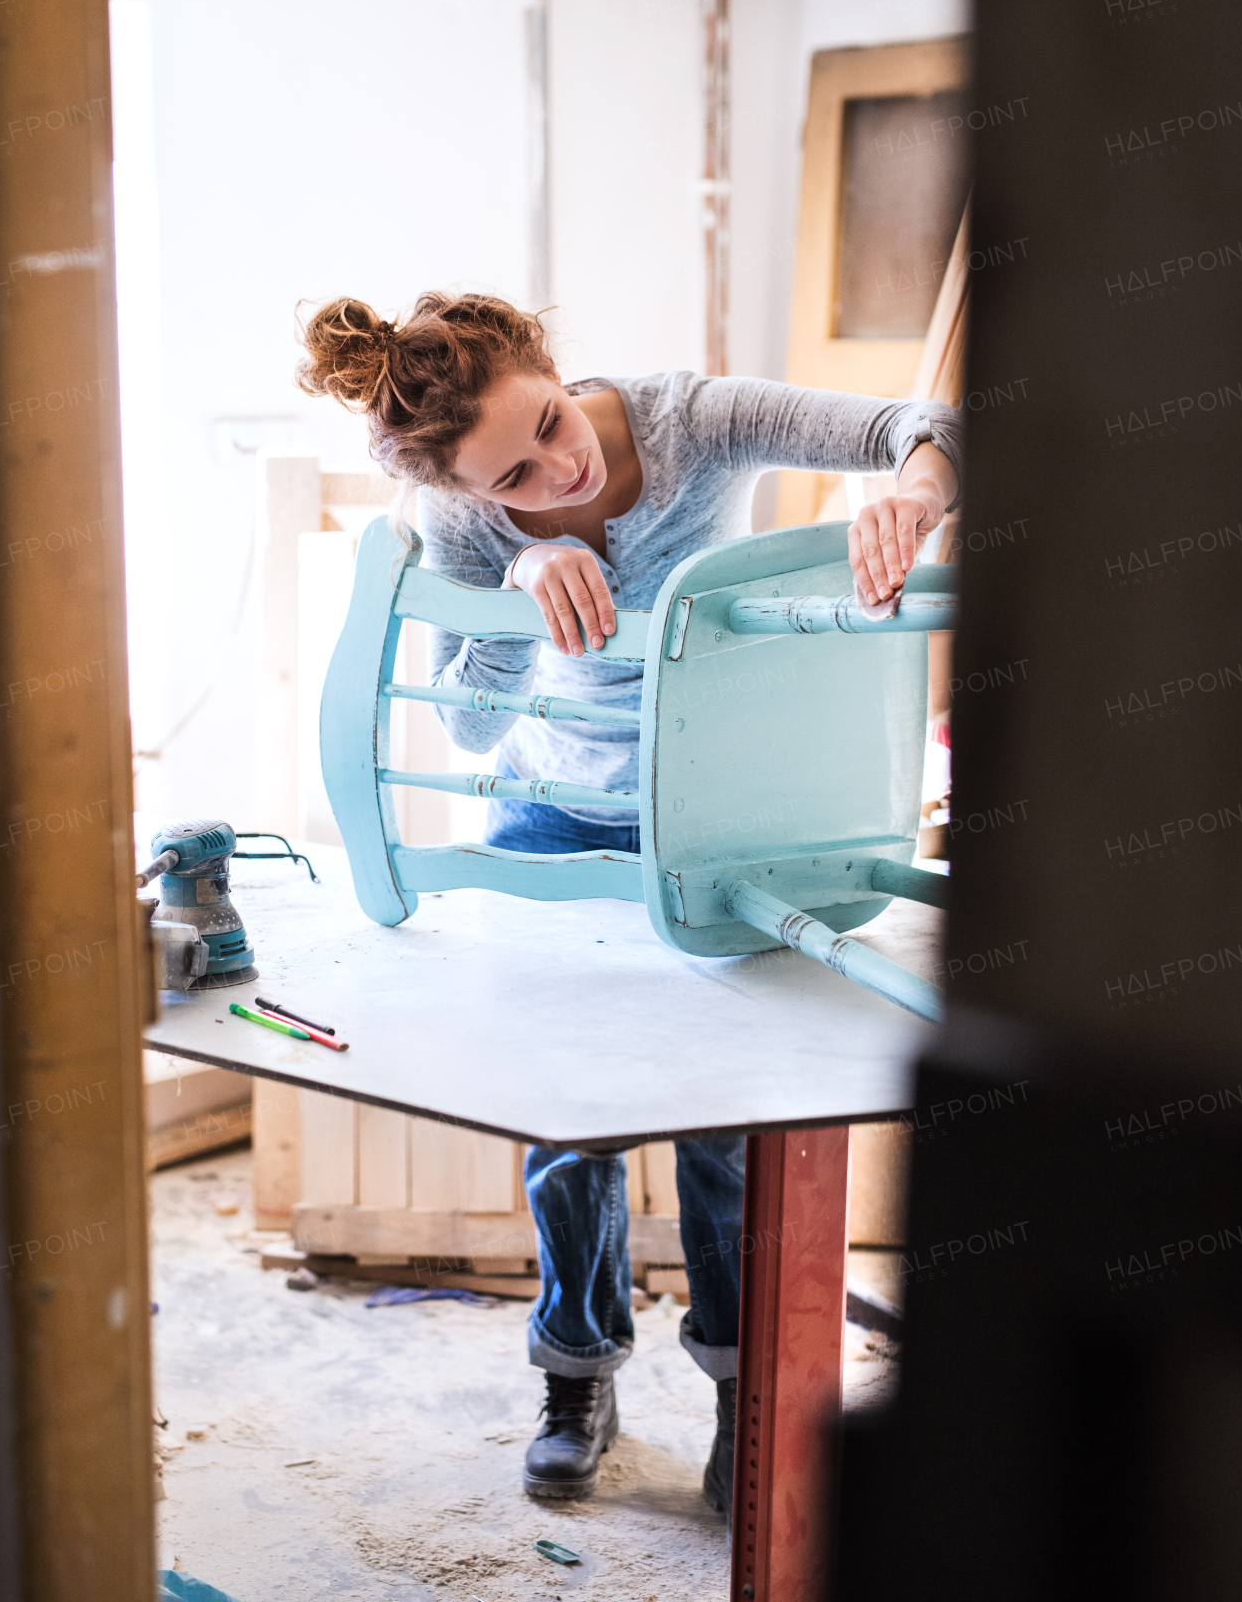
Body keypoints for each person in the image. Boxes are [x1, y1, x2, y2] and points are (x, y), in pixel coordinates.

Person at [296, 289, 961, 1521]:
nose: (560, 464)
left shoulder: (694, 420)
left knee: (721, 1131)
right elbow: (474, 726)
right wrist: (520, 573)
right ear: (467, 486)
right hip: (549, 817)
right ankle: (574, 1379)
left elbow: (928, 423)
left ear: (553, 367)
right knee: (569, 1128)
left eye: (550, 423)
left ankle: (737, 1392)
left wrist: (913, 497)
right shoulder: (464, 517)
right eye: (517, 476)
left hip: (713, 813)